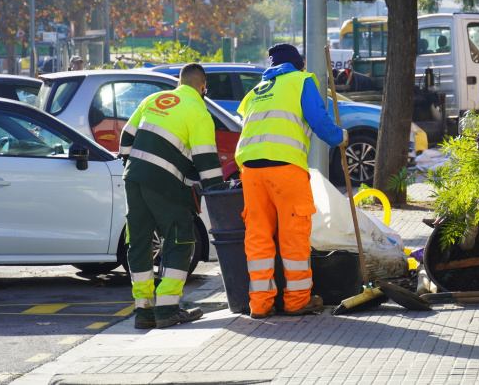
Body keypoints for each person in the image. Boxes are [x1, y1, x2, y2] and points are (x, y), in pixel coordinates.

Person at [235, 43, 347, 319]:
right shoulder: (301, 80)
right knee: (293, 233)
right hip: (285, 167)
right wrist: (338, 136)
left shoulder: (255, 92)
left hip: (250, 169)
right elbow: (319, 121)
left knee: (258, 236)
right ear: (300, 64)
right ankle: (297, 300)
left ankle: (260, 305)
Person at [118, 63, 223, 329]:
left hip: (134, 177)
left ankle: (144, 311)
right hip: (164, 184)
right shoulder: (198, 110)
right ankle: (167, 308)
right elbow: (207, 159)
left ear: (179, 82)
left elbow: (126, 137)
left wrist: (135, 168)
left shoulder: (153, 99)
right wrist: (218, 190)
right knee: (180, 239)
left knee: (139, 242)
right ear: (203, 87)